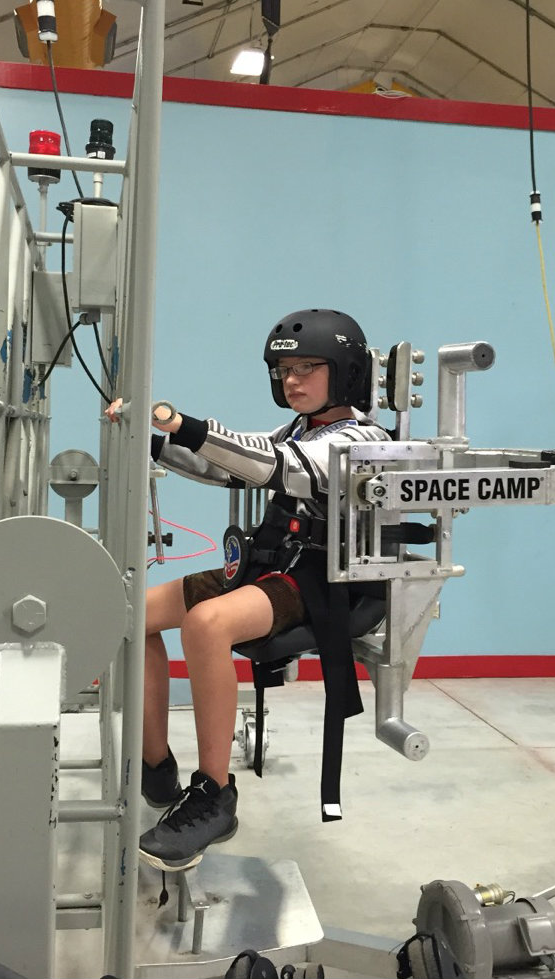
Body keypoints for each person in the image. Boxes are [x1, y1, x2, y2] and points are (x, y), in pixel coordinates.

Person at [135, 309, 391, 872]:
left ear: (345, 371)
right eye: (283, 370)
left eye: (307, 368)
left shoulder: (362, 439)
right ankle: (156, 767)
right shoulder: (299, 429)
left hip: (319, 583)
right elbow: (230, 463)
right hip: (268, 568)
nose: (292, 380)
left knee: (207, 624)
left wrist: (184, 425)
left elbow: (273, 466)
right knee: (130, 615)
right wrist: (149, 442)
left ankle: (214, 795)